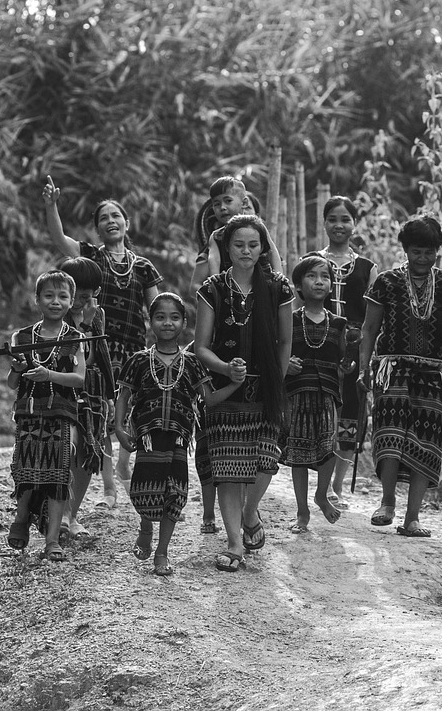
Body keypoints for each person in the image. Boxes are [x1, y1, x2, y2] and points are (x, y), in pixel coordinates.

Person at [358, 216, 442, 537]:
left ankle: (412, 518)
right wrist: (364, 368)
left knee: (427, 442)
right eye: (416, 251)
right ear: (405, 250)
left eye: (429, 252)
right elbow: (369, 328)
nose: (422, 258)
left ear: (438, 251)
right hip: (392, 371)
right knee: (389, 436)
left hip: (432, 375)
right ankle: (387, 502)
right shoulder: (387, 282)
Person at [43, 178, 163, 499]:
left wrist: (161, 345)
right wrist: (51, 206)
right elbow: (60, 240)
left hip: (134, 347)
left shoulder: (144, 267)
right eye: (104, 219)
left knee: (129, 407)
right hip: (98, 344)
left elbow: (156, 309)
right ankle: (109, 483)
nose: (111, 221)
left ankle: (124, 465)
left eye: (116, 216)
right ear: (98, 229)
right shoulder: (91, 256)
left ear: (127, 223)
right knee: (102, 411)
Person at [114, 293, 242, 576]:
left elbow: (209, 399)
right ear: (150, 323)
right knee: (143, 490)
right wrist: (119, 428)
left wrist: (234, 383)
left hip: (179, 439)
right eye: (160, 317)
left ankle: (162, 551)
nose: (167, 323)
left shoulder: (193, 362)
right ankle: (146, 526)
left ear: (184, 323)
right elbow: (124, 396)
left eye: (174, 317)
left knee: (175, 493)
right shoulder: (138, 361)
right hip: (147, 438)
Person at [194, 214, 293, 572]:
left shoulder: (280, 288)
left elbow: (285, 343)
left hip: (265, 390)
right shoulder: (212, 289)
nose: (246, 251)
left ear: (263, 248)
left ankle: (251, 512)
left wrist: (274, 384)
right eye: (238, 244)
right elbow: (201, 346)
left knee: (266, 459)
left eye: (253, 244)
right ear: (227, 247)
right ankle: (235, 543)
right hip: (225, 391)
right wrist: (224, 369)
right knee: (227, 467)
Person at [6, 270, 87, 560]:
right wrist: (17, 368)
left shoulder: (76, 338)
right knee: (27, 471)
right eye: (49, 296)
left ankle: (51, 540)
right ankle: (21, 519)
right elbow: (13, 383)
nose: (56, 301)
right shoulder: (23, 336)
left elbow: (79, 379)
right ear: (37, 300)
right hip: (28, 413)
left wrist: (48, 374)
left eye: (62, 296)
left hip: (62, 414)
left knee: (58, 475)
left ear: (72, 301)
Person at [311, 196, 378, 507]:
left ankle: (335, 486)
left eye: (345, 219)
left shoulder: (367, 268)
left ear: (355, 224)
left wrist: (367, 359)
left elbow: (374, 318)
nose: (339, 225)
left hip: (355, 351)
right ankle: (320, 482)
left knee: (350, 415)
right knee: (319, 412)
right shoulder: (311, 262)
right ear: (324, 223)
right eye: (333, 219)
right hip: (317, 346)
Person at [282, 255, 346, 532]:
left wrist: (348, 365)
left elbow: (344, 359)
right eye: (311, 276)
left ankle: (322, 493)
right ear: (298, 285)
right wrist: (286, 365)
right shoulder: (290, 320)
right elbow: (279, 352)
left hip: (328, 392)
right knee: (298, 450)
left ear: (331, 285)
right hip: (298, 392)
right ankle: (302, 511)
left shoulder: (340, 323)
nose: (319, 282)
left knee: (329, 445)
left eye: (324, 277)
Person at [58, 257, 114, 540]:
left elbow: (95, 357)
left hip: (92, 392)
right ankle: (61, 509)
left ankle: (72, 514)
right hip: (65, 391)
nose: (81, 301)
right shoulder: (58, 314)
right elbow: (72, 360)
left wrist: (89, 324)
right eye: (77, 295)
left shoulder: (96, 314)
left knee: (87, 455)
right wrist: (82, 326)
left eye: (87, 295)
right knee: (67, 449)